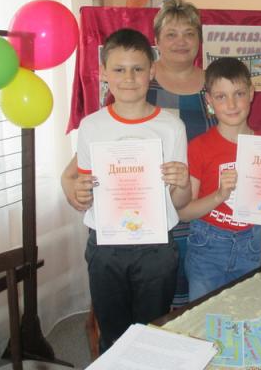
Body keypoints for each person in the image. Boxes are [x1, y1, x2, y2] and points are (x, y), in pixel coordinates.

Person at [62, 0, 215, 308]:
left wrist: (186, 182)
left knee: (168, 312)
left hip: (189, 217)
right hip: (117, 234)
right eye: (171, 34)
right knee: (115, 321)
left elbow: (230, 143)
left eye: (189, 33)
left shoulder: (203, 97)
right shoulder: (106, 115)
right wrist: (73, 188)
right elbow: (84, 172)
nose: (181, 41)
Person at [75, 28, 191, 351]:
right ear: (103, 72)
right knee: (113, 336)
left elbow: (180, 202)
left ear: (152, 71)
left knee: (151, 334)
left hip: (156, 248)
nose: (129, 78)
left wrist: (182, 182)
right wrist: (81, 194)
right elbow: (84, 196)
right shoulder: (91, 127)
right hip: (106, 246)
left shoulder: (171, 127)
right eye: (119, 69)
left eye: (138, 69)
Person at [178, 57, 261, 301]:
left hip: (250, 245)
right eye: (221, 96)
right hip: (207, 248)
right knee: (203, 315)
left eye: (238, 93)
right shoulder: (199, 147)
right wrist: (219, 196)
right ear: (209, 101)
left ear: (251, 93)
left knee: (244, 313)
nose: (231, 104)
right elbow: (184, 212)